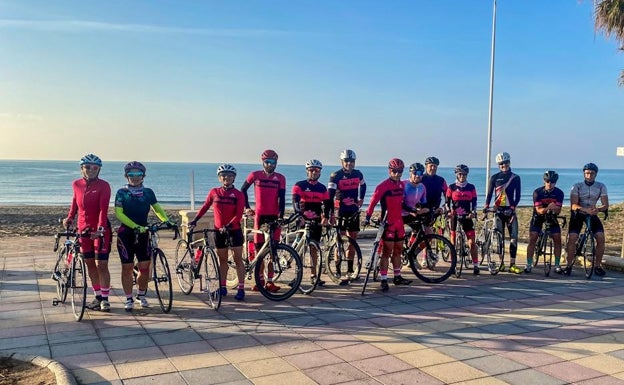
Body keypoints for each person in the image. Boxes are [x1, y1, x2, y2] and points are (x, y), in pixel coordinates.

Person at [114, 161, 175, 311]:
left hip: (143, 233)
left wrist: (166, 220)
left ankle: (141, 295)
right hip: (126, 234)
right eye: (131, 174)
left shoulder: (148, 192)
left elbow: (157, 208)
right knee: (127, 268)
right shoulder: (122, 192)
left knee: (145, 268)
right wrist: (134, 226)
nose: (135, 177)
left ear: (143, 176)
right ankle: (129, 298)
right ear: (126, 176)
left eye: (138, 174)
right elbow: (118, 213)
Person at [63, 154, 112, 312]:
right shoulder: (76, 184)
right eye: (87, 167)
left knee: (102, 265)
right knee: (90, 263)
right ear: (81, 168)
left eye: (95, 168)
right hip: (82, 230)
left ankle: (105, 299)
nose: (91, 170)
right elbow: (74, 204)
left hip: (100, 230)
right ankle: (98, 296)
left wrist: (100, 229)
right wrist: (69, 218)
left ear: (99, 169)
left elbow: (103, 210)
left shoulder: (104, 186)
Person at [190, 164, 246, 300]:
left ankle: (241, 288)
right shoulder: (214, 192)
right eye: (224, 176)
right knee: (222, 261)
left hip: (234, 231)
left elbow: (239, 214)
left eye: (230, 176)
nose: (227, 178)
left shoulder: (238, 194)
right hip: (218, 231)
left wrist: (228, 225)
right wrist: (195, 219)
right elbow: (205, 207)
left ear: (234, 178)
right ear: (220, 178)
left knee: (238, 260)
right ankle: (222, 287)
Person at [241, 149, 286, 292]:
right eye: (267, 162)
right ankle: (259, 281)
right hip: (259, 217)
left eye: (273, 162)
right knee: (259, 250)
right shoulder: (255, 175)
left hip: (273, 216)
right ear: (263, 162)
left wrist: (281, 216)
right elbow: (242, 190)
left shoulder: (280, 178)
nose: (270, 165)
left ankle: (270, 281)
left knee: (273, 251)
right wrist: (247, 208)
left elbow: (283, 199)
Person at [364, 158, 407, 292]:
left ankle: (397, 276)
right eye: (394, 171)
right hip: (387, 223)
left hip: (399, 223)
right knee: (387, 251)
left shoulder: (403, 185)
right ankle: (383, 279)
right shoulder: (382, 186)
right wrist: (367, 217)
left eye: (400, 171)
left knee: (398, 249)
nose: (397, 174)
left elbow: (405, 203)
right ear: (389, 171)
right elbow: (372, 202)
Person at [562, 163, 609, 276]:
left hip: (592, 213)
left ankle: (597, 266)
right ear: (584, 174)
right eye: (587, 173)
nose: (589, 175)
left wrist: (598, 209)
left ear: (596, 174)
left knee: (601, 238)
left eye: (592, 173)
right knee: (572, 238)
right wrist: (584, 209)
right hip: (578, 213)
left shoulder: (601, 186)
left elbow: (605, 204)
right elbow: (573, 205)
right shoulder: (577, 186)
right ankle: (568, 266)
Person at [327, 149, 366, 284]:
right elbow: (329, 196)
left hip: (353, 210)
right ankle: (337, 270)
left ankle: (350, 270)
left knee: (352, 241)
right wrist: (331, 213)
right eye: (346, 161)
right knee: (340, 242)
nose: (349, 164)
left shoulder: (358, 174)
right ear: (342, 162)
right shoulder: (335, 175)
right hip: (340, 211)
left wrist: (361, 199)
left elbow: (364, 185)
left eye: (352, 161)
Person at [292, 160, 331, 286]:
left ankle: (314, 276)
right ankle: (296, 276)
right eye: (311, 170)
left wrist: (326, 216)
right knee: (299, 249)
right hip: (303, 220)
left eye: (317, 170)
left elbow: (327, 204)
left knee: (314, 248)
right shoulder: (300, 185)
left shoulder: (322, 188)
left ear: (320, 172)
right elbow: (295, 201)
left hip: (316, 222)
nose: (314, 172)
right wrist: (299, 215)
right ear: (307, 171)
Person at [484, 152, 522, 273]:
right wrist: (486, 207)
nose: (504, 165)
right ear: (498, 165)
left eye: (505, 163)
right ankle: (501, 263)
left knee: (513, 238)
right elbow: (489, 194)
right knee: (499, 239)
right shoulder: (494, 178)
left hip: (510, 212)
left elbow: (518, 195)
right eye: (501, 164)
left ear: (509, 163)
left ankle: (512, 264)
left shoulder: (515, 177)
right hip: (498, 211)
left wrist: (512, 207)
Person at [525, 171, 565, 274]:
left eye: (552, 181)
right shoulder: (538, 192)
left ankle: (557, 264)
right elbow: (539, 210)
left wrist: (552, 209)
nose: (550, 183)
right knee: (533, 237)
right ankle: (528, 264)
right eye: (547, 181)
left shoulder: (559, 193)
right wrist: (548, 207)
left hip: (551, 216)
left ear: (555, 182)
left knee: (557, 238)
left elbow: (558, 210)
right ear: (544, 181)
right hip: (538, 216)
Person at [399, 162, 431, 284]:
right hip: (400, 215)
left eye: (420, 174)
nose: (418, 176)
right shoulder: (404, 185)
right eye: (415, 173)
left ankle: (412, 254)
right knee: (398, 240)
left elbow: (423, 203)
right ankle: (402, 255)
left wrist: (429, 209)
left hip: (411, 215)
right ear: (410, 174)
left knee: (427, 232)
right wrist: (413, 210)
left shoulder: (422, 187)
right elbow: (401, 203)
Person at [445, 164, 479, 275]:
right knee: (452, 242)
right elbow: (446, 203)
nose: (462, 176)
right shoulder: (451, 187)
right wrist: (449, 212)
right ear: (456, 174)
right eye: (460, 174)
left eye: (464, 174)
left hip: (467, 217)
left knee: (472, 243)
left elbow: (474, 203)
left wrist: (473, 212)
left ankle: (475, 265)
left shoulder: (471, 187)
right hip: (455, 217)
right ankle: (453, 265)